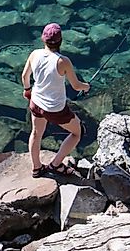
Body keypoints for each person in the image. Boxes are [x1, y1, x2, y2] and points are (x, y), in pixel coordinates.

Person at [21, 23, 90, 177]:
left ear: (42, 38)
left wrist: (27, 91)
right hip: (55, 109)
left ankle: (37, 168)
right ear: (61, 41)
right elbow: (76, 85)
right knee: (78, 133)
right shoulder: (63, 61)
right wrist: (87, 87)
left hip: (36, 103)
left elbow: (24, 77)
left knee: (36, 134)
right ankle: (55, 165)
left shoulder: (34, 54)